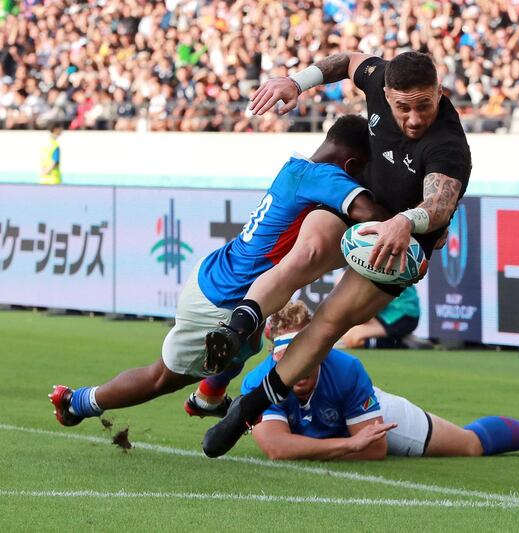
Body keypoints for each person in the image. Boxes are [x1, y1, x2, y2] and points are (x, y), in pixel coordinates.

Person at [202, 50, 473, 458]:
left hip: (398, 246)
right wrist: (296, 81)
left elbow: (439, 202)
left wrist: (406, 221)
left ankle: (248, 409)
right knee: (304, 254)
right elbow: (347, 61)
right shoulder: (377, 76)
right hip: (360, 206)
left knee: (328, 324)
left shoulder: (449, 145)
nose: (415, 118)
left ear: (441, 92)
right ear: (385, 93)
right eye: (403, 108)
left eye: (425, 105)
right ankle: (236, 329)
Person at [48, 115, 392, 426]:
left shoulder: (297, 169)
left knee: (247, 341)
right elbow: (371, 212)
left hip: (226, 277)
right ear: (351, 164)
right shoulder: (326, 177)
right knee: (162, 378)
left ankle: (208, 397)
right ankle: (77, 402)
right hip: (221, 299)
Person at [234, 301, 519, 460]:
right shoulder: (260, 381)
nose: (296, 369)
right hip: (340, 434)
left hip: (372, 415)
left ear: (320, 346)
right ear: (272, 354)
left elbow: (373, 449)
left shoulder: (346, 369)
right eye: (287, 359)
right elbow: (276, 448)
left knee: (470, 445)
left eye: (306, 355)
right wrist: (344, 446)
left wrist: (347, 444)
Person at [337, 285, 420, 349]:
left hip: (401, 314)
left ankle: (400, 343)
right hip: (387, 311)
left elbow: (365, 310)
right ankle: (398, 337)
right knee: (346, 332)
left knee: (352, 338)